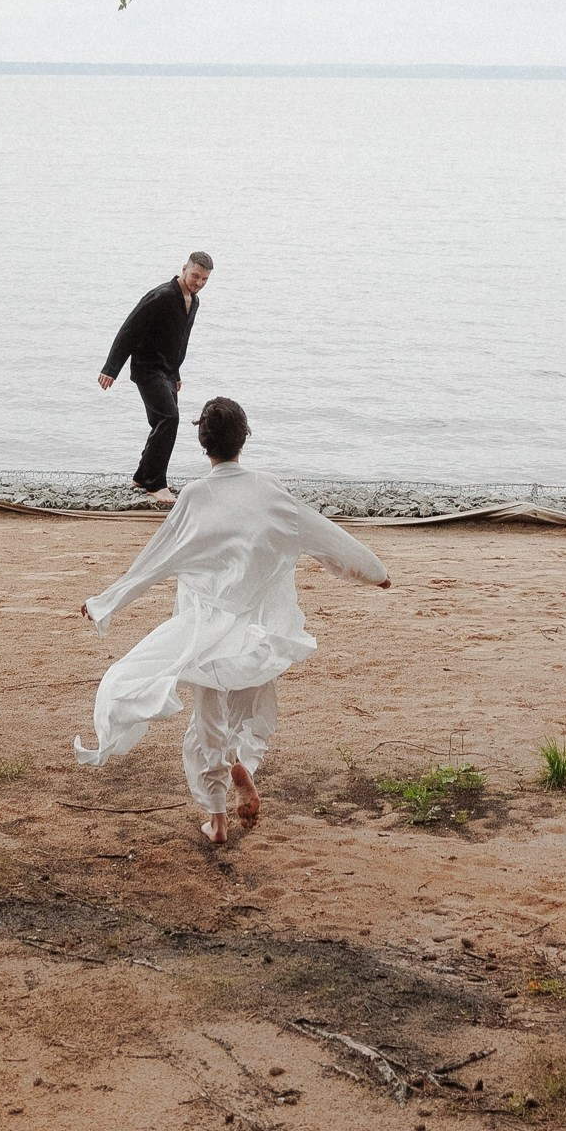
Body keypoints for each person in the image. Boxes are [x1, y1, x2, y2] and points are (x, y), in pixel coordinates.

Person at [74, 394, 390, 845]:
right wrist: (374, 573)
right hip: (259, 629)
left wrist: (105, 600)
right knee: (256, 713)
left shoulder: (195, 498)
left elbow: (154, 560)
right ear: (244, 438)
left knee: (206, 722)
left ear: (204, 445)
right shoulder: (271, 492)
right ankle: (243, 759)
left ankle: (218, 819)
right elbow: (327, 537)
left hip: (202, 630)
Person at [98, 250, 212, 504]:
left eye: (204, 280)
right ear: (184, 268)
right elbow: (129, 329)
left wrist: (176, 372)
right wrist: (110, 368)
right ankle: (156, 484)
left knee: (161, 423)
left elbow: (177, 341)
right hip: (147, 368)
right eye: (195, 276)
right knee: (168, 419)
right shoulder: (160, 296)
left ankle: (142, 476)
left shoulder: (193, 301)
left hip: (167, 371)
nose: (199, 283)